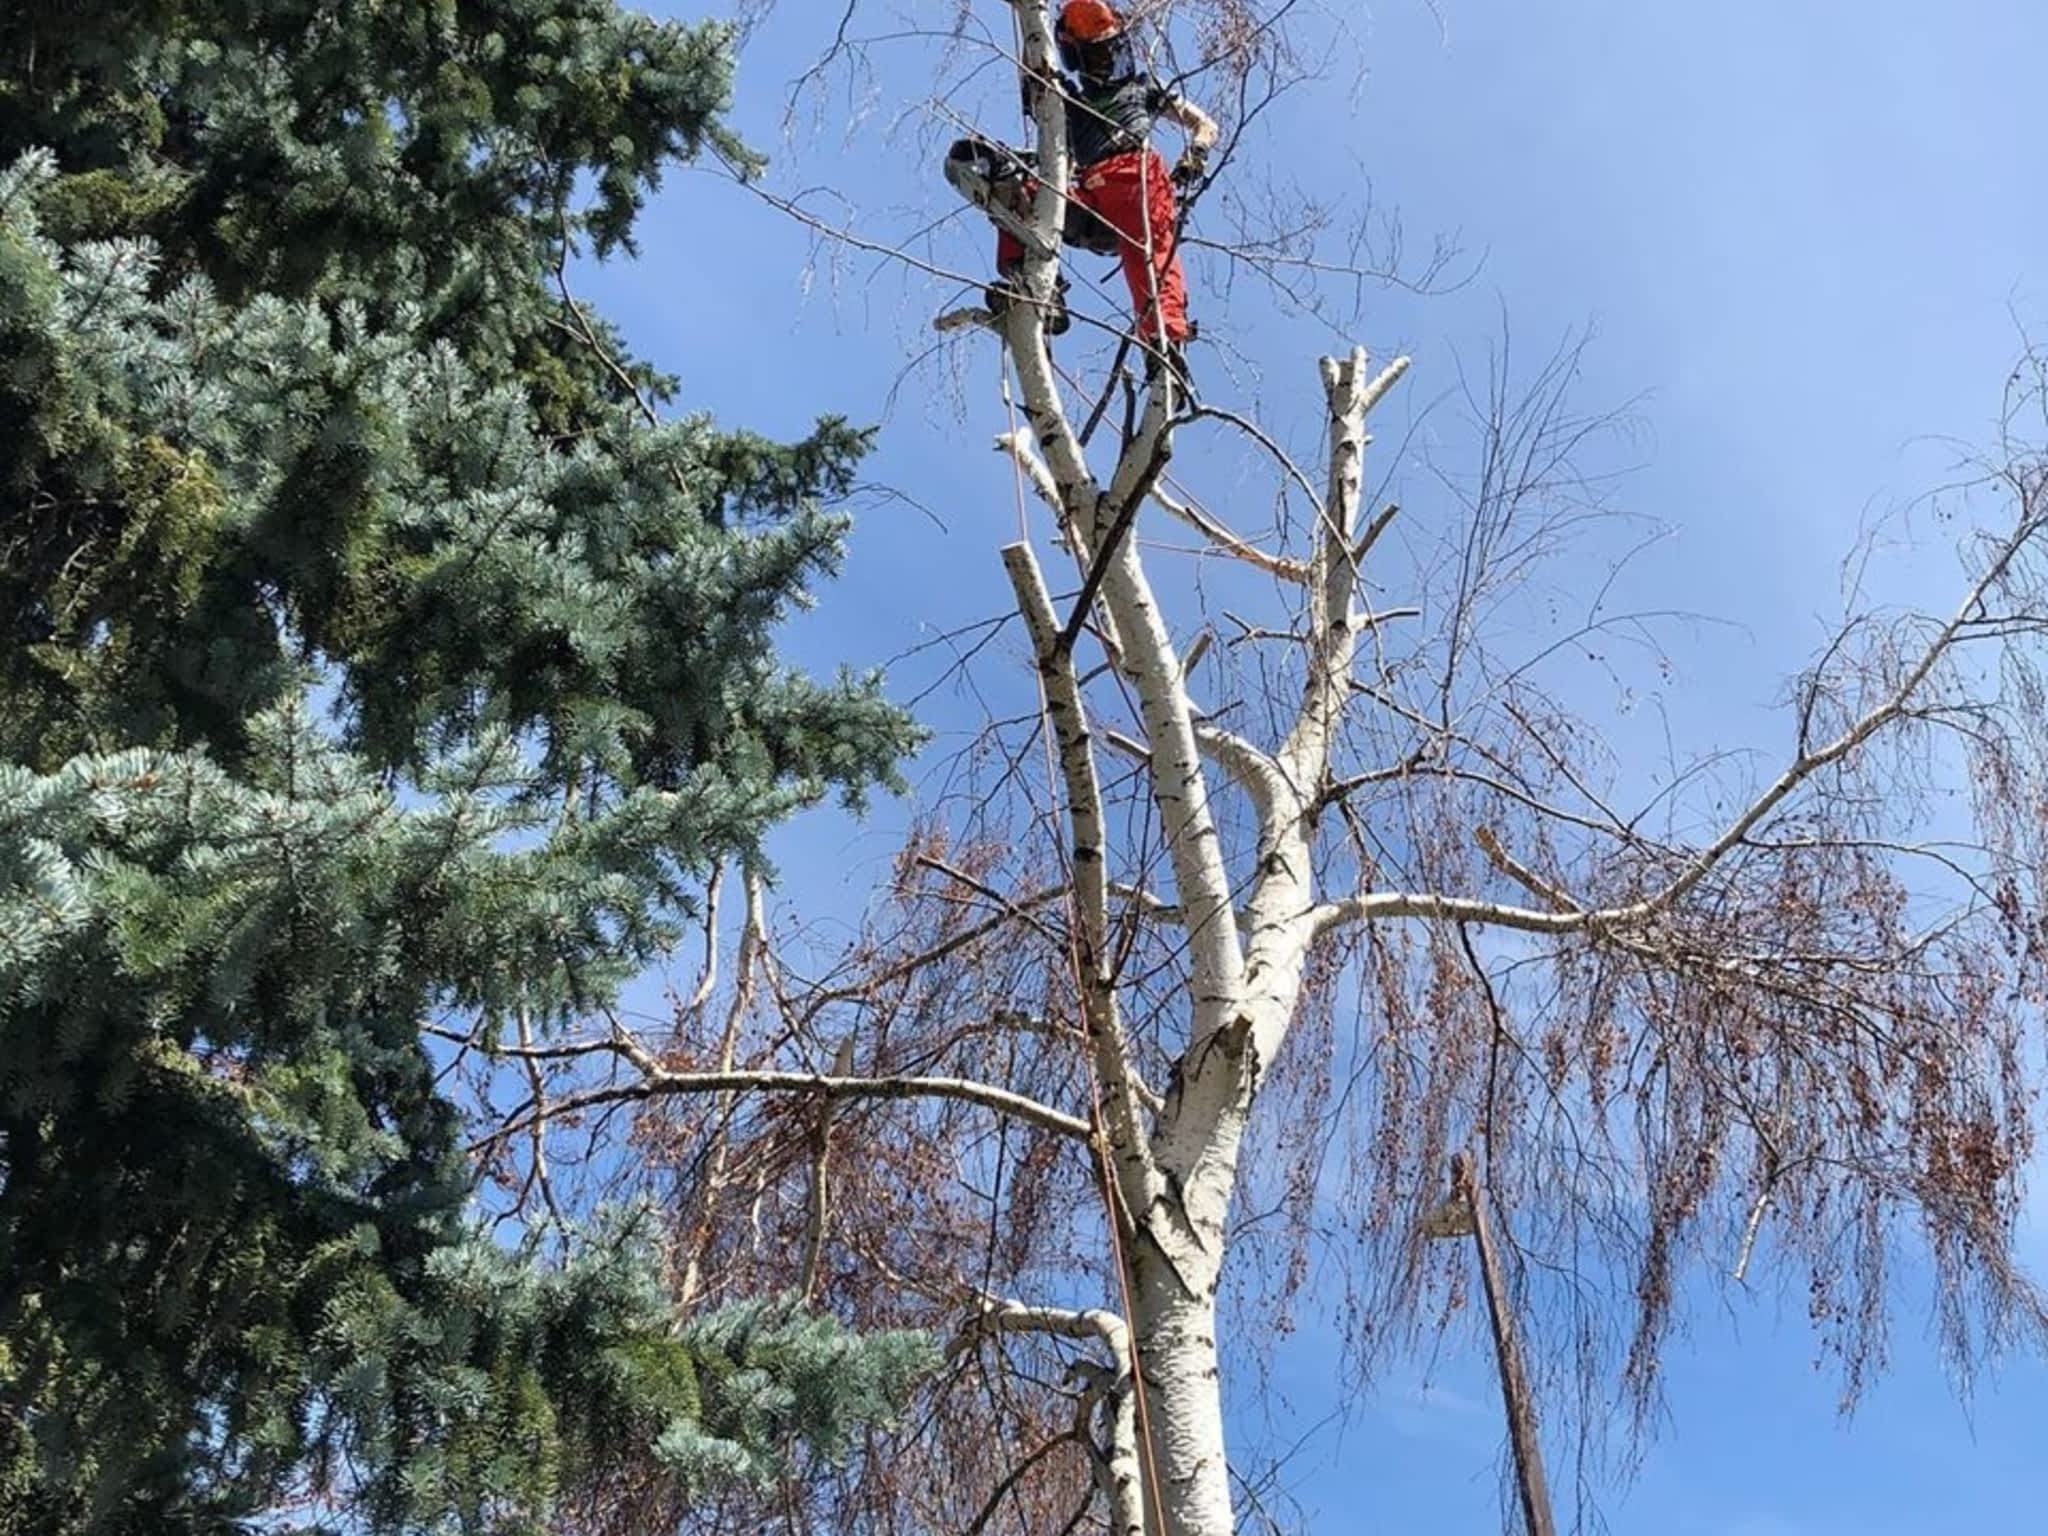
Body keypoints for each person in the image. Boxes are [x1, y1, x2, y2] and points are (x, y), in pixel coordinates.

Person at [944, 0, 1218, 383]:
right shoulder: (1068, 103)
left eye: (1111, 52)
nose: (1106, 62)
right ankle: (1037, 289)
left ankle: (1164, 341)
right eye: (1097, 56)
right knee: (1012, 186)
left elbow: (1204, 123)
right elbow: (1040, 92)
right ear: (1080, 59)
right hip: (1089, 195)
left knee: (1152, 252)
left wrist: (1197, 154)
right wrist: (1030, 22)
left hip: (1135, 177)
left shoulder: (1144, 89)